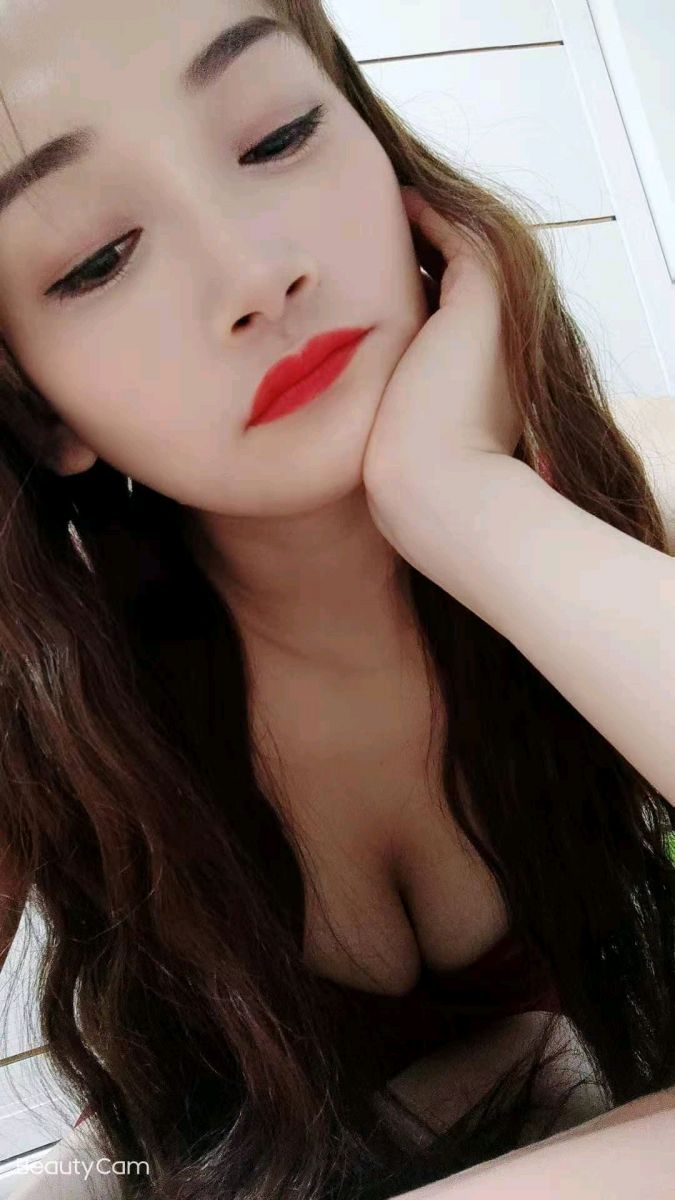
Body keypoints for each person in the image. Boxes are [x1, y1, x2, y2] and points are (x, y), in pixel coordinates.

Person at [0, 1, 674, 1197]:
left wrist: (464, 500)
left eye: (278, 136)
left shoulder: (618, 498)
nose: (256, 274)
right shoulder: (47, 704)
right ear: (38, 407)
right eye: (97, 258)